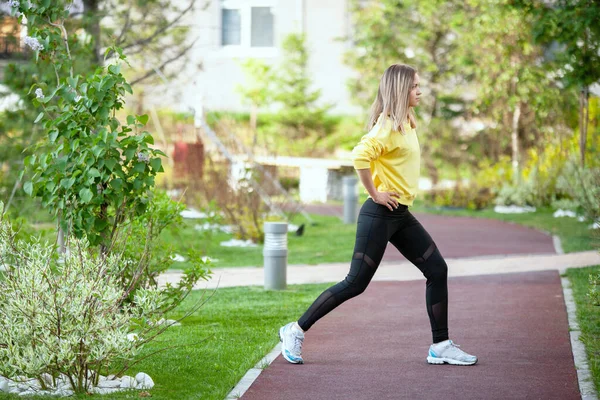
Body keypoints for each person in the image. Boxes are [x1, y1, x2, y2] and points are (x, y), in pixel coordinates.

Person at [279, 64, 477, 366]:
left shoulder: (405, 122)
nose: (420, 91)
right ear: (400, 90)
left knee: (437, 270)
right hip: (380, 214)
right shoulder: (386, 126)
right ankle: (295, 330)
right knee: (355, 283)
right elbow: (359, 156)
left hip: (400, 213)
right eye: (414, 87)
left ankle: (441, 345)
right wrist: (375, 193)